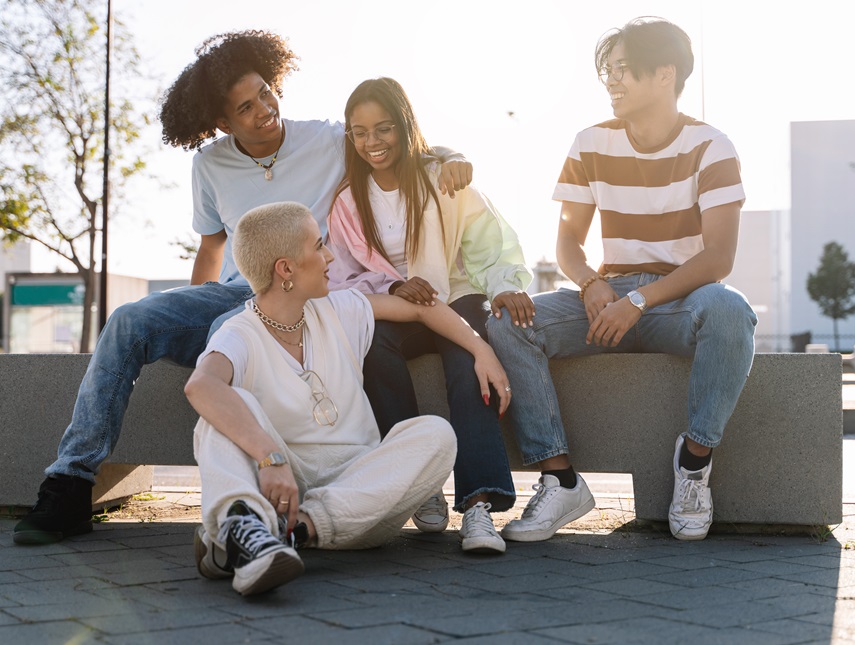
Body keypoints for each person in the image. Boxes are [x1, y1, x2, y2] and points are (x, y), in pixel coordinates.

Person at [14, 29, 472, 546]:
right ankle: (71, 482)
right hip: (236, 292)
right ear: (221, 121)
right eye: (246, 107)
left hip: (305, 294)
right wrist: (187, 315)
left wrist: (450, 155)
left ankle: (275, 510)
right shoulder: (208, 165)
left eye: (266, 94)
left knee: (225, 333)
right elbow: (211, 249)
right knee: (131, 320)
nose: (264, 110)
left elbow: (393, 144)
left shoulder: (326, 139)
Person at [487, 17, 757, 542]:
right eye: (607, 71)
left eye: (623, 70)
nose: (611, 82)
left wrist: (638, 299)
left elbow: (719, 258)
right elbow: (568, 242)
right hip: (605, 300)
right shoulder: (590, 143)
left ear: (664, 74)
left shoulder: (712, 147)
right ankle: (560, 479)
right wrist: (591, 283)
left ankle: (694, 463)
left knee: (730, 309)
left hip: (679, 299)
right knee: (508, 321)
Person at [186, 201, 511, 596]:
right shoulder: (239, 332)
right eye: (318, 246)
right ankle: (250, 530)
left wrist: (482, 350)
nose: (330, 256)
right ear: (286, 269)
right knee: (220, 412)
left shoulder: (340, 309)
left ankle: (271, 537)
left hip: (360, 496)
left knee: (437, 434)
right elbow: (201, 386)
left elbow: (424, 311)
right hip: (281, 484)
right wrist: (270, 457)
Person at [327, 78, 533, 554]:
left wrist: (504, 287)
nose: (372, 142)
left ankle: (478, 506)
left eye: (383, 129)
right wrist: (394, 284)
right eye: (360, 132)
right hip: (396, 305)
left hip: (454, 296)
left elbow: (491, 245)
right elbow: (342, 275)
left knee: (466, 364)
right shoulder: (347, 201)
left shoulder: (443, 178)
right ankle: (417, 486)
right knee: (372, 349)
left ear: (404, 125)